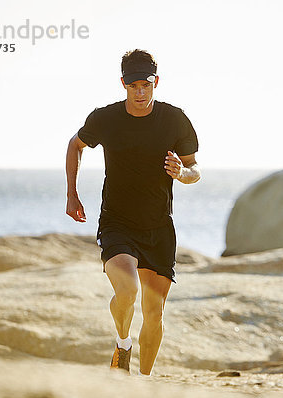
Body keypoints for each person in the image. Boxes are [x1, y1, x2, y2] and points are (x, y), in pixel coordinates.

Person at [65, 49, 200, 375]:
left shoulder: (174, 119)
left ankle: (142, 384)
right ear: (123, 83)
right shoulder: (106, 119)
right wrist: (72, 194)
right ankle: (122, 343)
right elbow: (75, 144)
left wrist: (181, 173)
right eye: (134, 85)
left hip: (158, 227)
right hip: (117, 222)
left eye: (147, 85)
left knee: (154, 314)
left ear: (157, 82)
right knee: (126, 292)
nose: (141, 93)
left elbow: (195, 170)